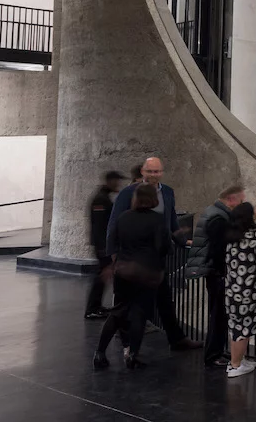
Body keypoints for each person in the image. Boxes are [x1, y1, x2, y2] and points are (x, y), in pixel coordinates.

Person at [106, 156, 202, 351]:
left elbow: (172, 221)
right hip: (131, 259)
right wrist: (113, 256)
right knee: (125, 305)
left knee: (165, 300)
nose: (153, 175)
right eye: (150, 171)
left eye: (157, 171)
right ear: (142, 172)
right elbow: (114, 225)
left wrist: (183, 241)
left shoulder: (167, 192)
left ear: (162, 173)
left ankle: (176, 339)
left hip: (156, 259)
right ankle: (124, 343)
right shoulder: (128, 193)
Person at [95, 183, 171, 370]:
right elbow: (163, 247)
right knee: (139, 314)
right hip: (147, 272)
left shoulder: (123, 217)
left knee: (117, 311)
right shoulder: (157, 220)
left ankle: (99, 353)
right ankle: (132, 355)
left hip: (123, 271)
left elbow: (112, 241)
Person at [186, 184, 245, 368]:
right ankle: (213, 355)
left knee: (219, 313)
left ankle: (218, 351)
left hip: (215, 272)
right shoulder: (219, 218)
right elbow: (220, 248)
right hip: (218, 273)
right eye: (241, 201)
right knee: (218, 315)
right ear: (231, 199)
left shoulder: (214, 213)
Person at [223, 202, 256, 378]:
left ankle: (238, 360)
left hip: (233, 289)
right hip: (249, 291)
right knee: (244, 328)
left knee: (237, 326)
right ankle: (235, 365)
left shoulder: (233, 236)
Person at [85, 170, 128, 319]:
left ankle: (96, 306)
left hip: (103, 246)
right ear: (110, 181)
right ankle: (91, 309)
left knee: (102, 277)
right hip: (102, 247)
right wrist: (104, 249)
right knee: (101, 276)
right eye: (117, 181)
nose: (119, 184)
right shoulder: (101, 200)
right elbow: (99, 227)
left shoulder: (104, 198)